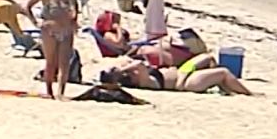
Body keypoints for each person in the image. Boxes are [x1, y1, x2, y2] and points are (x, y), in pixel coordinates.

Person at [25, 0, 80, 100]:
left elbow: (75, 7)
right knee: (50, 62)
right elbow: (28, 6)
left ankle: (60, 92)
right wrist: (36, 23)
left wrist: (74, 20)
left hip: (66, 29)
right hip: (49, 30)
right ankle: (49, 91)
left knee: (64, 63)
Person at [99, 54, 251, 95]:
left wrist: (122, 68)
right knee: (223, 72)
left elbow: (132, 61)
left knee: (208, 57)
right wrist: (121, 71)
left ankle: (224, 87)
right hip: (184, 82)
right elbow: (140, 65)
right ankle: (246, 93)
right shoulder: (140, 81)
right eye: (113, 70)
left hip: (182, 72)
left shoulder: (132, 74)